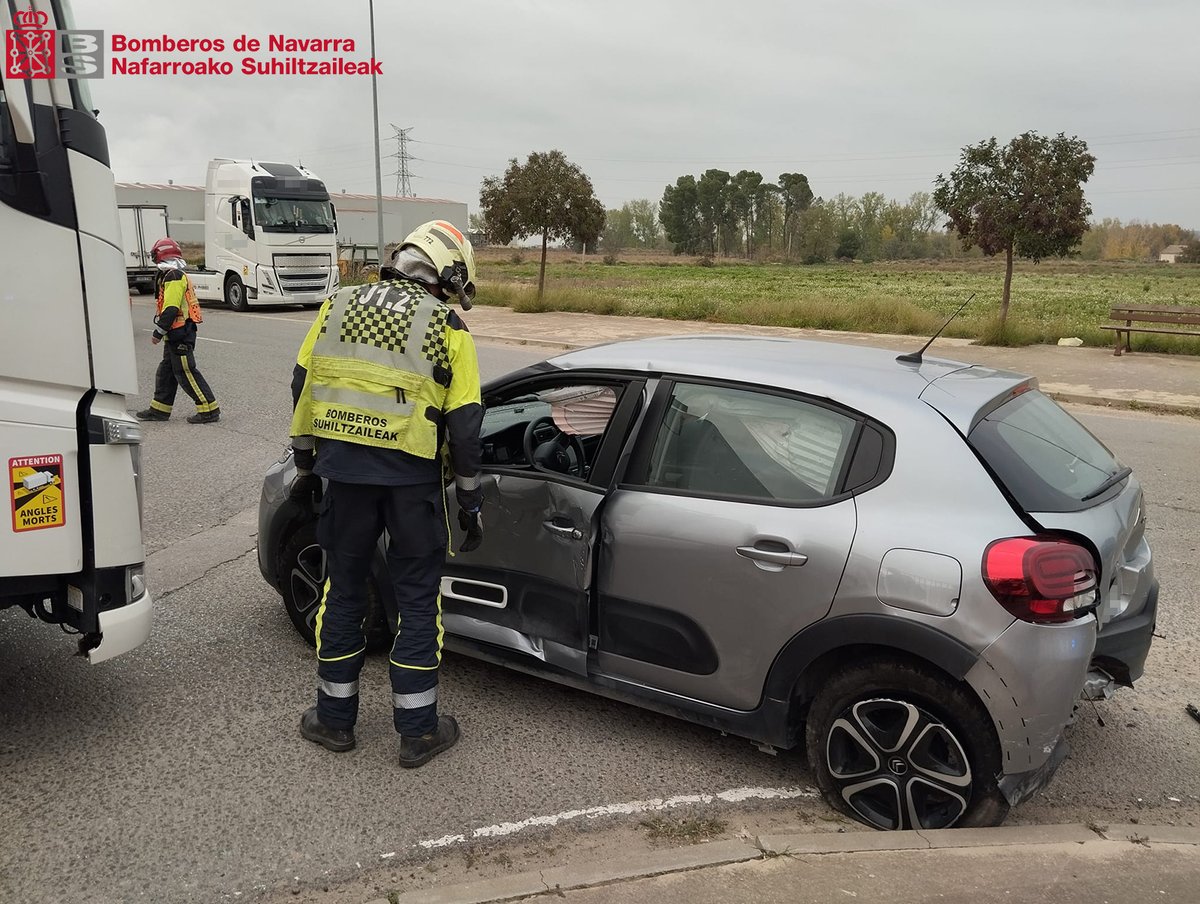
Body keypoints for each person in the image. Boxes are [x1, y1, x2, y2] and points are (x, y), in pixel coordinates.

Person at [289, 220, 484, 768]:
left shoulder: (338, 305)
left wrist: (306, 465)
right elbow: (465, 426)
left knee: (344, 592)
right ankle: (418, 732)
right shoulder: (448, 326)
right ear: (444, 274)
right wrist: (468, 500)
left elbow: (304, 384)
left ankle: (333, 721)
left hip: (345, 479)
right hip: (412, 483)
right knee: (418, 600)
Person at [135, 238, 221, 424]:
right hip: (176, 332)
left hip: (180, 333)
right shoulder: (172, 275)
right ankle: (159, 410)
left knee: (185, 371)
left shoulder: (173, 276)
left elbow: (172, 308)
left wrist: (158, 332)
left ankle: (209, 409)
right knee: (166, 371)